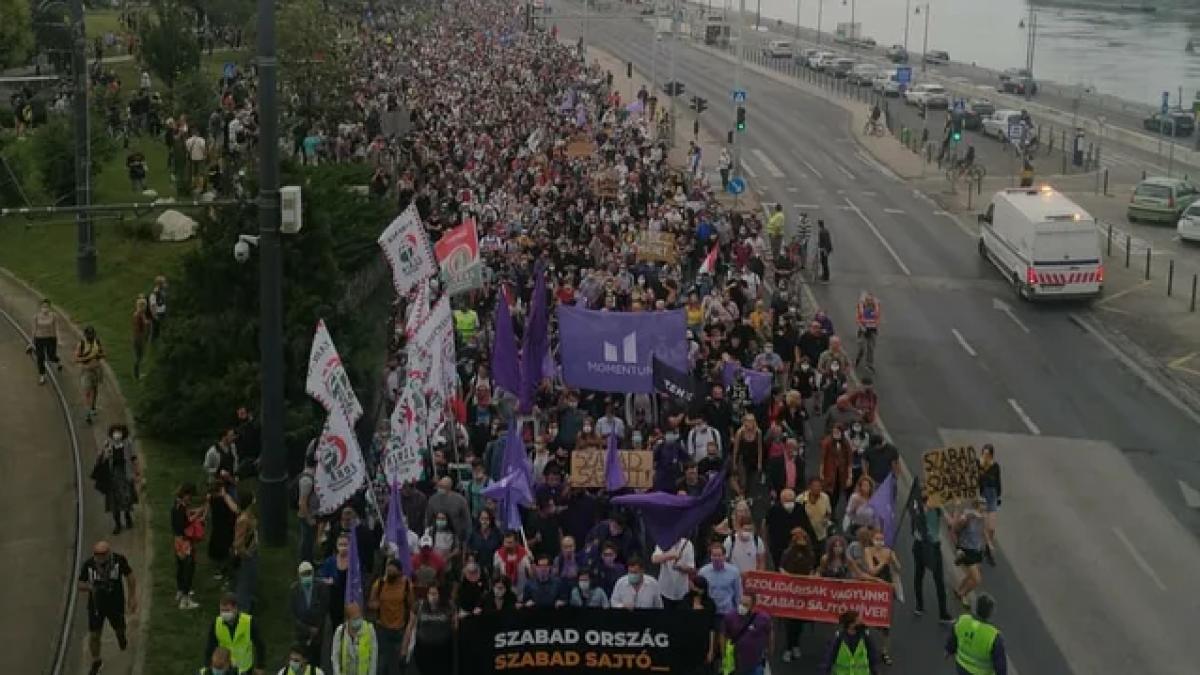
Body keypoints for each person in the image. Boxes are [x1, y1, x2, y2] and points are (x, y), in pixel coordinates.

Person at [79, 540, 137, 675]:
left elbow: (130, 576)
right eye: (97, 554)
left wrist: (132, 597)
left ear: (108, 553)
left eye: (103, 554)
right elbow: (80, 583)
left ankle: (121, 637)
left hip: (115, 603)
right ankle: (96, 660)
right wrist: (90, 587)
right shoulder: (89, 565)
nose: (99, 557)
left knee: (119, 628)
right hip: (96, 605)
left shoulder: (118, 560)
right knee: (94, 635)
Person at [910, 488, 953, 623]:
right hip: (921, 545)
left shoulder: (938, 509)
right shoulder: (918, 508)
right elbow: (917, 520)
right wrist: (927, 507)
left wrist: (948, 508)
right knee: (919, 574)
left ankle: (943, 613)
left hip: (934, 546)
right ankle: (919, 605)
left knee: (939, 580)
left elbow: (950, 523)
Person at [778, 527, 817, 661]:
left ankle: (796, 645)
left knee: (800, 620)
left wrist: (810, 578)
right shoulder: (788, 552)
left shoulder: (810, 554)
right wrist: (790, 578)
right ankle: (788, 648)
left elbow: (812, 569)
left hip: (804, 592)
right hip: (790, 591)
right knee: (790, 621)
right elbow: (781, 568)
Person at [94, 423, 140, 534]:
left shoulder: (128, 443)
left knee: (126, 498)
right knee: (114, 502)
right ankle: (117, 524)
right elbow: (100, 459)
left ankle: (128, 517)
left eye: (119, 431)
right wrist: (105, 453)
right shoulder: (108, 443)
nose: (117, 434)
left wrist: (137, 473)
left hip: (125, 474)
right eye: (115, 431)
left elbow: (133, 458)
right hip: (112, 476)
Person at [946, 593, 1008, 675]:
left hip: (961, 666)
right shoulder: (994, 636)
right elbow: (1000, 665)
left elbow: (953, 639)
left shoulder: (962, 620)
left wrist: (948, 650)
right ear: (990, 613)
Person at [205, 593, 266, 675]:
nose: (224, 613)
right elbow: (210, 645)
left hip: (244, 667)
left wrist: (260, 666)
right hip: (225, 667)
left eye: (227, 610)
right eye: (222, 610)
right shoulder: (216, 623)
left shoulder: (249, 622)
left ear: (235, 608)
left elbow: (260, 645)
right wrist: (207, 665)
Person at [369, 557, 411, 675]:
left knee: (399, 663)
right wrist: (375, 605)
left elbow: (411, 605)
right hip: (383, 627)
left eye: (392, 572)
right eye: (388, 571)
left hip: (400, 628)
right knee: (382, 663)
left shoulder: (407, 585)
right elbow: (371, 603)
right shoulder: (380, 584)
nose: (389, 574)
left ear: (399, 572)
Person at [403, 585, 456, 675]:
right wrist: (404, 651)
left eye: (435, 593)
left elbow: (455, 626)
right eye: (430, 593)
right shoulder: (419, 605)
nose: (432, 596)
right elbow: (409, 628)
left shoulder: (449, 606)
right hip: (423, 651)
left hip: (443, 652)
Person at [949, 498, 988, 607]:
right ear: (977, 505)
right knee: (977, 579)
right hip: (967, 550)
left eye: (985, 504)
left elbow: (982, 532)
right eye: (983, 504)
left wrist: (987, 543)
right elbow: (954, 529)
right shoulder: (968, 517)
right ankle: (962, 594)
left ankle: (958, 589)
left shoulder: (982, 518)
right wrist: (958, 548)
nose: (985, 506)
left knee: (970, 575)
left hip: (977, 550)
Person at [289, 561, 329, 667]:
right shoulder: (294, 590)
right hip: (301, 634)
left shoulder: (321, 587)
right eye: (304, 574)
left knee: (315, 663)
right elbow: (293, 615)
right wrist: (307, 629)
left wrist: (316, 628)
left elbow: (324, 610)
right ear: (299, 575)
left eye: (309, 573)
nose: (307, 576)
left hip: (317, 633)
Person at [721, 593, 772, 675]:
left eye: (745, 605)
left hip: (755, 664)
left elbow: (769, 633)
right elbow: (723, 635)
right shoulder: (730, 616)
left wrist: (770, 649)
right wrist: (723, 655)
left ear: (753, 605)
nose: (741, 607)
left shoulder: (763, 618)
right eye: (740, 603)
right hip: (735, 664)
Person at [172, 482, 204, 610]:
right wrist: (197, 515)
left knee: (180, 567)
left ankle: (180, 591)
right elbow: (184, 524)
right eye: (190, 496)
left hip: (177, 540)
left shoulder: (177, 504)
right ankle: (185, 600)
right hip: (185, 542)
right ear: (186, 494)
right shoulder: (181, 507)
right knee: (188, 569)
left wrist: (194, 512)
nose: (190, 499)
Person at [818, 610, 880, 674]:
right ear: (850, 624)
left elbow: (873, 656)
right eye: (857, 621)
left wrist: (875, 672)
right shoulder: (838, 637)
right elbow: (828, 657)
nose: (861, 622)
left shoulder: (865, 637)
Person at [330, 603, 377, 675]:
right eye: (355, 619)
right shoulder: (340, 632)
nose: (358, 621)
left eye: (359, 617)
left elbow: (373, 659)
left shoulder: (369, 630)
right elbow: (335, 658)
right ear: (348, 619)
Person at [697, 541, 741, 615]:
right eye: (714, 555)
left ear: (724, 556)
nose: (716, 558)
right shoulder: (703, 572)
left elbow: (738, 593)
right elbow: (699, 592)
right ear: (710, 556)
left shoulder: (734, 572)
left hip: (727, 612)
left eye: (719, 555)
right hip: (709, 611)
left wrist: (738, 611)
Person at [651, 537, 695, 609]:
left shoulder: (688, 544)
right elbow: (654, 559)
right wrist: (670, 555)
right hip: (664, 590)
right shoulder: (663, 541)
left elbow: (691, 569)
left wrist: (680, 567)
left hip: (682, 591)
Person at [75, 325, 106, 423]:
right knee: (87, 392)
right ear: (85, 335)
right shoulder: (81, 344)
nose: (90, 336)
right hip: (86, 371)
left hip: (96, 370)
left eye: (92, 334)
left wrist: (98, 355)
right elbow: (76, 358)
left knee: (95, 389)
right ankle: (88, 413)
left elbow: (104, 354)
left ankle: (93, 407)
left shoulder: (97, 342)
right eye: (89, 334)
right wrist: (88, 357)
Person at [979, 444, 1002, 566]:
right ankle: (988, 547)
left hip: (992, 496)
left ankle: (987, 548)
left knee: (991, 527)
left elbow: (998, 482)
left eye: (987, 454)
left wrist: (999, 496)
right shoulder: (979, 466)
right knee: (984, 524)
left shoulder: (995, 467)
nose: (985, 456)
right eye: (983, 453)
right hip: (982, 496)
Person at [30, 298, 62, 384]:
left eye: (47, 307)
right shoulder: (36, 317)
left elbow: (57, 328)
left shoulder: (54, 316)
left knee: (51, 356)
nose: (45, 308)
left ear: (49, 307)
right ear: (40, 307)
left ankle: (58, 361)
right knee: (40, 357)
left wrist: (59, 340)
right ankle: (42, 376)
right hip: (39, 338)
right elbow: (34, 330)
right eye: (43, 306)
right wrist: (31, 342)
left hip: (51, 338)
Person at [854, 291, 881, 373]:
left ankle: (869, 364)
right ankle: (858, 358)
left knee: (871, 348)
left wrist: (874, 325)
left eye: (871, 300)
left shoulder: (876, 307)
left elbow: (878, 318)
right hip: (863, 330)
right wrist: (862, 326)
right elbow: (858, 318)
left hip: (872, 330)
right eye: (867, 300)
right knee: (862, 347)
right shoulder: (861, 307)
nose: (869, 302)